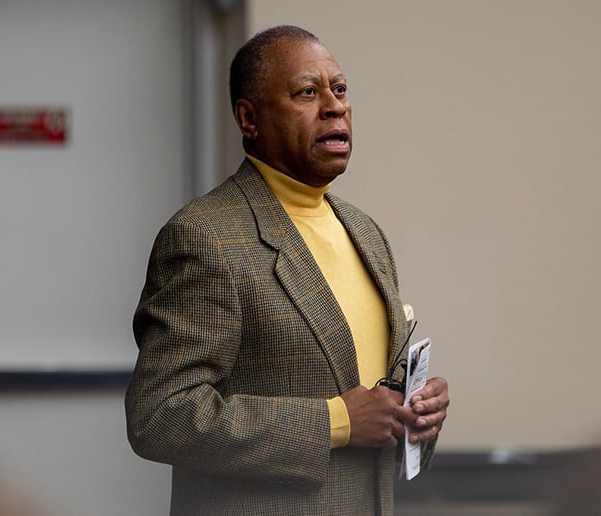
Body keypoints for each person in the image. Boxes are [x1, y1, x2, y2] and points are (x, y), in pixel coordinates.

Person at [125, 25, 450, 515]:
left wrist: (416, 416)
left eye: (339, 89)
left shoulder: (366, 233)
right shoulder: (206, 236)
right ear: (248, 118)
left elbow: (375, 404)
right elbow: (160, 415)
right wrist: (336, 421)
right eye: (307, 92)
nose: (335, 105)